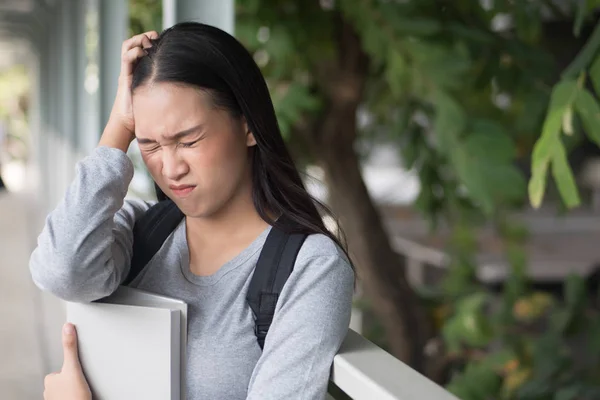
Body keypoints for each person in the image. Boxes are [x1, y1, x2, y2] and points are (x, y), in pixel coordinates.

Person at [30, 22, 355, 400]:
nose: (170, 168)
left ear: (248, 126)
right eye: (149, 145)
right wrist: (118, 129)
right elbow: (60, 272)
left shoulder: (309, 267)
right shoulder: (139, 232)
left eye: (189, 140)